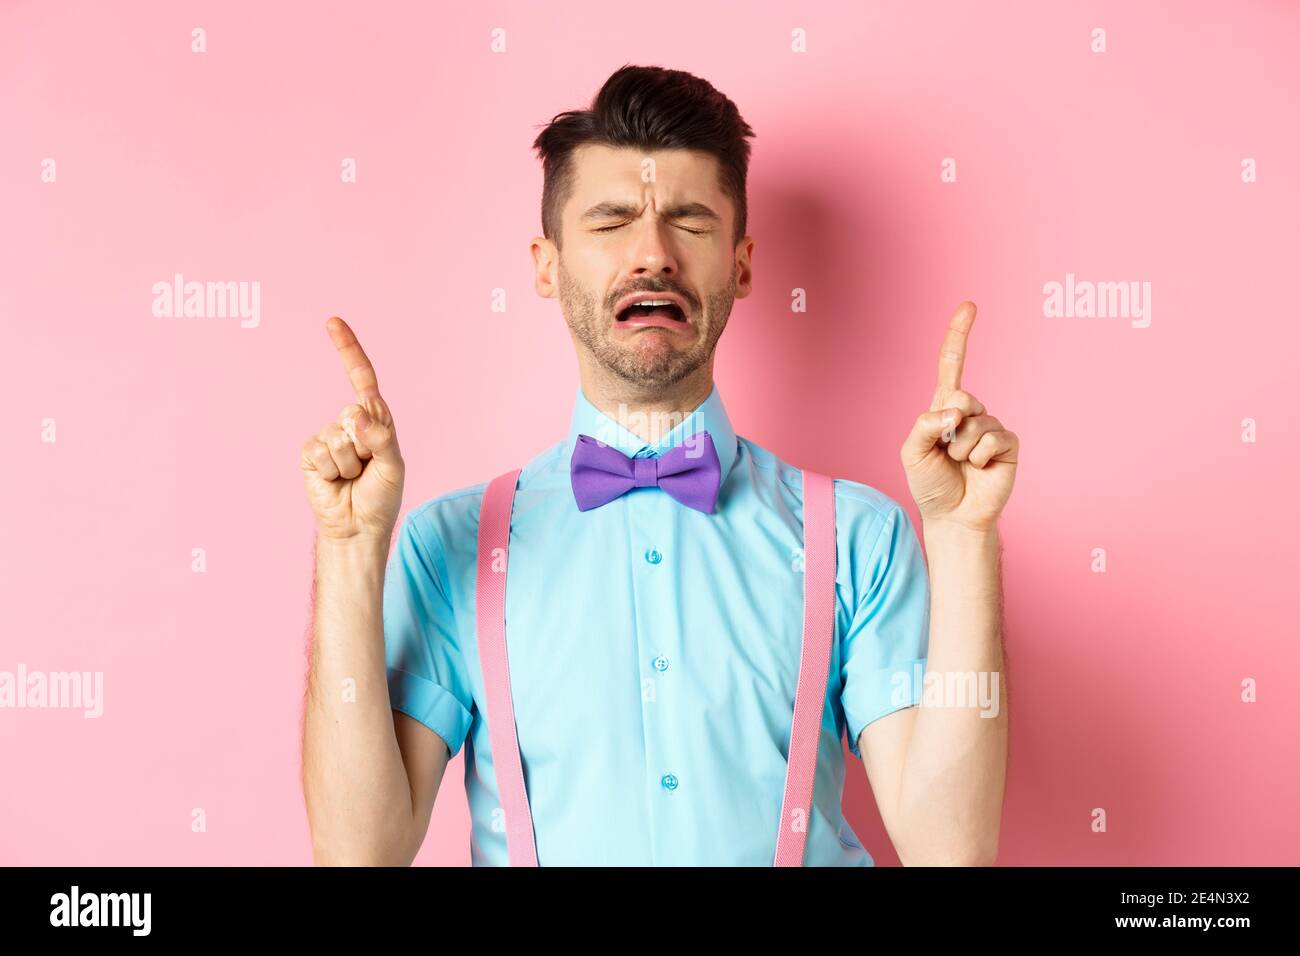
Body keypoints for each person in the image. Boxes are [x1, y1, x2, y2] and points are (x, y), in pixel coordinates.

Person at [300, 64, 1017, 866]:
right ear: (547, 265)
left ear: (742, 266)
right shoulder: (452, 547)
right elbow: (359, 854)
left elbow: (949, 851)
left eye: (690, 221)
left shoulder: (861, 536)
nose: (653, 254)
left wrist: (962, 537)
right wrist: (349, 549)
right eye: (610, 222)